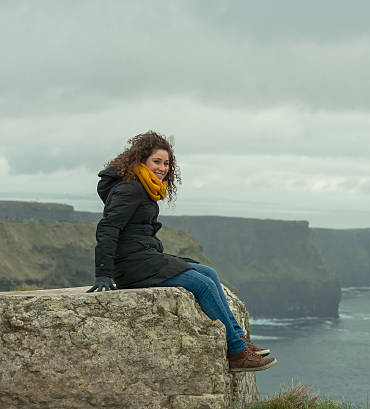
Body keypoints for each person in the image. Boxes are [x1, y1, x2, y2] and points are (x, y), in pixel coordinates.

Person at [87, 130, 276, 372]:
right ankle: (236, 353)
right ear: (141, 160)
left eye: (166, 163)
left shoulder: (144, 186)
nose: (162, 168)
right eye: (157, 161)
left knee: (209, 273)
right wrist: (103, 273)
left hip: (145, 257)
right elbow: (108, 228)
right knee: (202, 284)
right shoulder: (130, 189)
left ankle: (240, 342)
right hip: (132, 266)